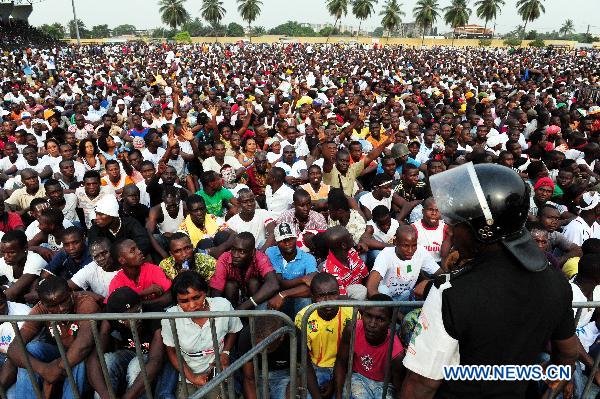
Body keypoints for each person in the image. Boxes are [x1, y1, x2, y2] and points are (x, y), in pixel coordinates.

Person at [400, 163, 577, 398]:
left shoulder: (451, 293)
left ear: (484, 231)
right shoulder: (557, 284)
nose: (450, 230)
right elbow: (568, 353)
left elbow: (421, 385)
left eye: (458, 222)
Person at [8, 276, 100, 399]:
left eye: (64, 301)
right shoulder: (40, 308)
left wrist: (57, 368)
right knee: (31, 349)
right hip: (60, 353)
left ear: (71, 293)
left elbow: (84, 344)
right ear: (43, 304)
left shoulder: (85, 302)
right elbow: (13, 348)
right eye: (53, 306)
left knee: (80, 359)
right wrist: (44, 369)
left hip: (88, 355)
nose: (61, 308)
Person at [161, 271, 243, 399]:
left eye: (196, 298)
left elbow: (234, 329)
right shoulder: (170, 317)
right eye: (184, 301)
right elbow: (172, 351)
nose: (192, 306)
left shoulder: (222, 306)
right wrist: (193, 378)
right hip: (187, 377)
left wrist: (226, 352)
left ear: (205, 292)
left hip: (217, 374)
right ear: (176, 301)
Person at [88, 287, 178, 399]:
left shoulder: (154, 313)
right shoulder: (110, 316)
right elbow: (94, 356)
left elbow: (155, 360)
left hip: (149, 357)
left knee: (136, 365)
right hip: (129, 354)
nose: (133, 320)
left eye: (137, 312)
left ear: (141, 305)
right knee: (107, 361)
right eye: (124, 319)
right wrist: (105, 395)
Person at [295, 272, 355, 399]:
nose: (328, 302)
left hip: (345, 367)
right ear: (312, 297)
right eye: (321, 296)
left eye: (333, 294)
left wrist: (334, 383)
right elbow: (304, 362)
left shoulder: (352, 313)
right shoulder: (303, 317)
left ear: (339, 293)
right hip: (315, 368)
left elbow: (353, 354)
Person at [334, 295, 405, 399]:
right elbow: (341, 362)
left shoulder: (396, 354)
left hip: (384, 385)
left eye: (380, 319)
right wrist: (339, 395)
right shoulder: (352, 330)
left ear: (390, 322)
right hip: (358, 378)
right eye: (368, 316)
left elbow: (399, 388)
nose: (372, 324)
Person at [366, 225, 441, 309]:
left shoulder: (421, 252)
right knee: (383, 290)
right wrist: (393, 312)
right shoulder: (386, 255)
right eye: (405, 246)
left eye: (414, 245)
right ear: (395, 242)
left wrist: (427, 283)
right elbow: (371, 289)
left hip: (407, 299)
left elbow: (441, 274)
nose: (410, 250)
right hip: (387, 301)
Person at [210, 232, 280, 310]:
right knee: (230, 285)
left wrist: (242, 308)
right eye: (233, 249)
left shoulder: (260, 257)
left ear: (253, 252)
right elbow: (216, 293)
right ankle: (232, 316)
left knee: (253, 282)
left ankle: (253, 317)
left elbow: (273, 284)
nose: (235, 255)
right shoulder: (224, 258)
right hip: (232, 298)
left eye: (242, 252)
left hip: (253, 298)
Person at [266, 222, 318, 318]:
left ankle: (301, 332)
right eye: (283, 240)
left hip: (295, 298)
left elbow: (312, 286)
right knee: (263, 306)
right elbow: (278, 283)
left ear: (295, 238)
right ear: (277, 242)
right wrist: (302, 279)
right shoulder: (270, 252)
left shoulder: (308, 258)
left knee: (305, 300)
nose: (287, 243)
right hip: (274, 296)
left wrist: (283, 294)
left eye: (290, 239)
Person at [107, 239, 172, 309]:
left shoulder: (152, 269)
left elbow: (169, 297)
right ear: (122, 260)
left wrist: (134, 305)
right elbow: (115, 309)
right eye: (133, 251)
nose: (139, 251)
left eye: (137, 248)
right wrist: (142, 293)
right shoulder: (116, 282)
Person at [322, 226, 369, 300]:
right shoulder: (331, 271)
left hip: (355, 288)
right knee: (361, 290)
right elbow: (340, 298)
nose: (352, 236)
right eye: (349, 236)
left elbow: (364, 275)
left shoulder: (351, 251)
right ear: (344, 245)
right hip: (344, 300)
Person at [0, 230, 47, 303]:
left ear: (25, 248)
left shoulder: (35, 260)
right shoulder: (3, 261)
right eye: (3, 252)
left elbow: (12, 293)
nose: (6, 256)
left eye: (11, 252)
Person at [0, 289, 30, 397]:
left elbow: (16, 355)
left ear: (4, 297)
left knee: (11, 396)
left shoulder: (23, 313)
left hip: (17, 362)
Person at [146, 187, 185, 259]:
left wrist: (174, 235)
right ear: (164, 200)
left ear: (178, 200)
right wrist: (163, 254)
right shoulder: (156, 210)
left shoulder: (184, 206)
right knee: (155, 238)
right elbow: (149, 233)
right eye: (169, 205)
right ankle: (161, 265)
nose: (173, 208)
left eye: (175, 205)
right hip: (167, 240)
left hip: (183, 238)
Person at [410, 197, 451, 264]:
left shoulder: (445, 228)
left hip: (439, 263)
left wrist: (449, 236)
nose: (434, 213)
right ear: (423, 211)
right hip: (420, 265)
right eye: (430, 209)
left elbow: (444, 256)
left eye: (437, 210)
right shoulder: (414, 228)